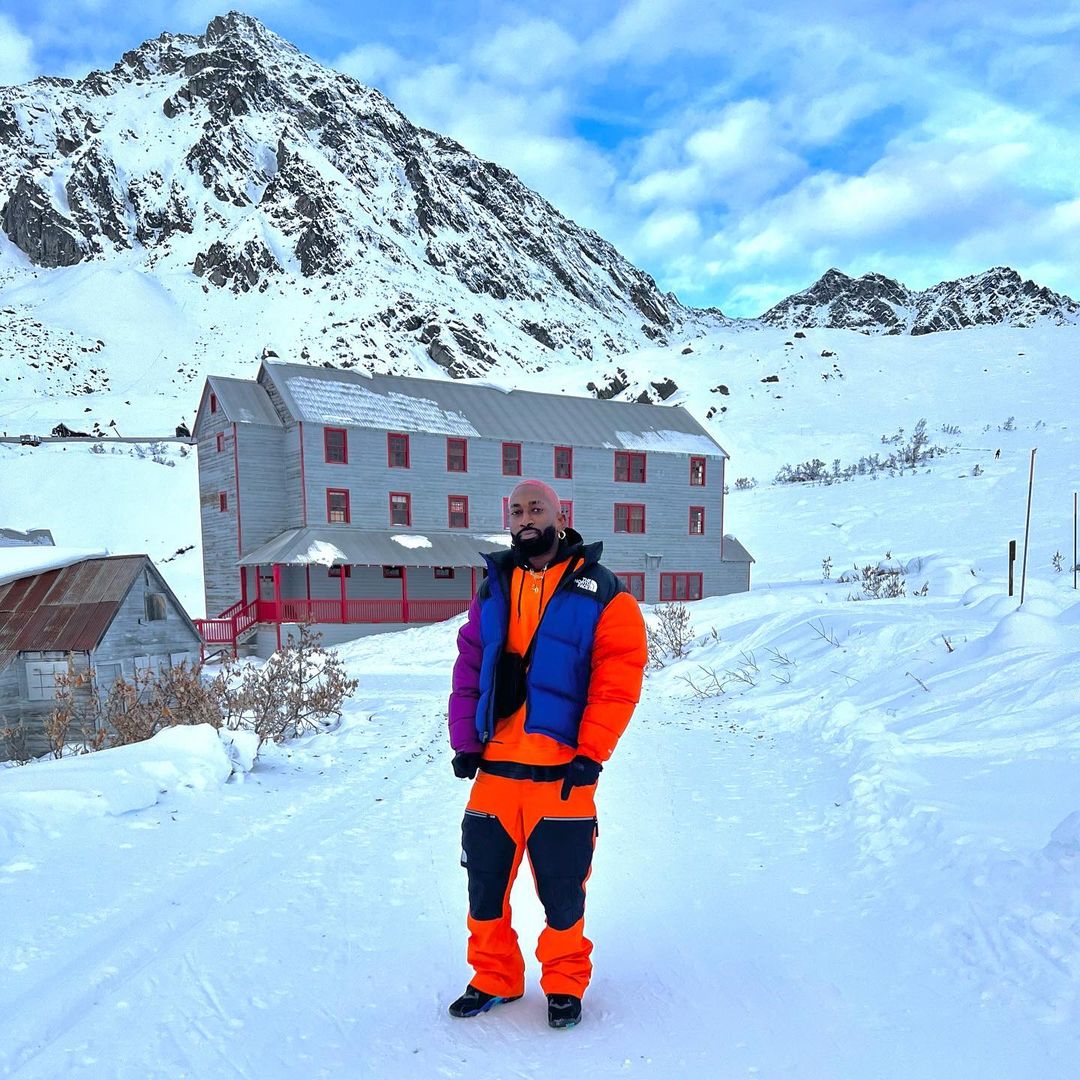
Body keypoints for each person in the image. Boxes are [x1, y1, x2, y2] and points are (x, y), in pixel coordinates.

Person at [447, 478, 648, 1029]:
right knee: (484, 886)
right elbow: (469, 666)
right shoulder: (493, 588)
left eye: (537, 508)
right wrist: (465, 740)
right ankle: (495, 977)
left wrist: (592, 750)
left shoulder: (603, 591)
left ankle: (563, 983)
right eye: (516, 511)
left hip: (563, 776)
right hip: (496, 770)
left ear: (561, 517)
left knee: (562, 892)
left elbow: (618, 678)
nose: (525, 518)